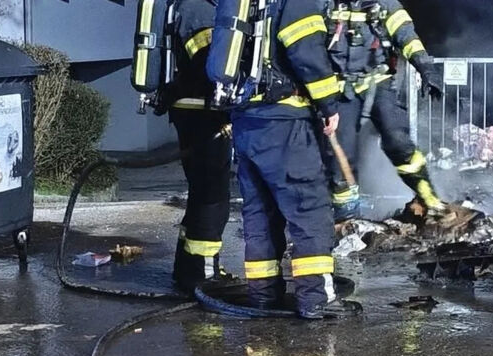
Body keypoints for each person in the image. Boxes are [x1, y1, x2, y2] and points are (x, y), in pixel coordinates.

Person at [208, 0, 362, 318]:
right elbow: (307, 54)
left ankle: (262, 295)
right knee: (309, 210)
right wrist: (329, 105)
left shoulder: (253, 4)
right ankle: (317, 299)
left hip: (246, 121)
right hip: (285, 123)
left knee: (260, 215)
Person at [321, 0, 446, 222]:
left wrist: (426, 67)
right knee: (341, 157)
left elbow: (406, 35)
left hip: (377, 82)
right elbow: (307, 46)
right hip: (339, 89)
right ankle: (346, 219)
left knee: (398, 140)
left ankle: (429, 198)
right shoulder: (324, 4)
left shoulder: (384, 3)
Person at [165, 0, 234, 293]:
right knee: (212, 197)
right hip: (202, 112)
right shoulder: (197, 8)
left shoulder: (197, 6)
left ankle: (187, 268)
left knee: (201, 193)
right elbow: (209, 61)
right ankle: (204, 275)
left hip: (198, 110)